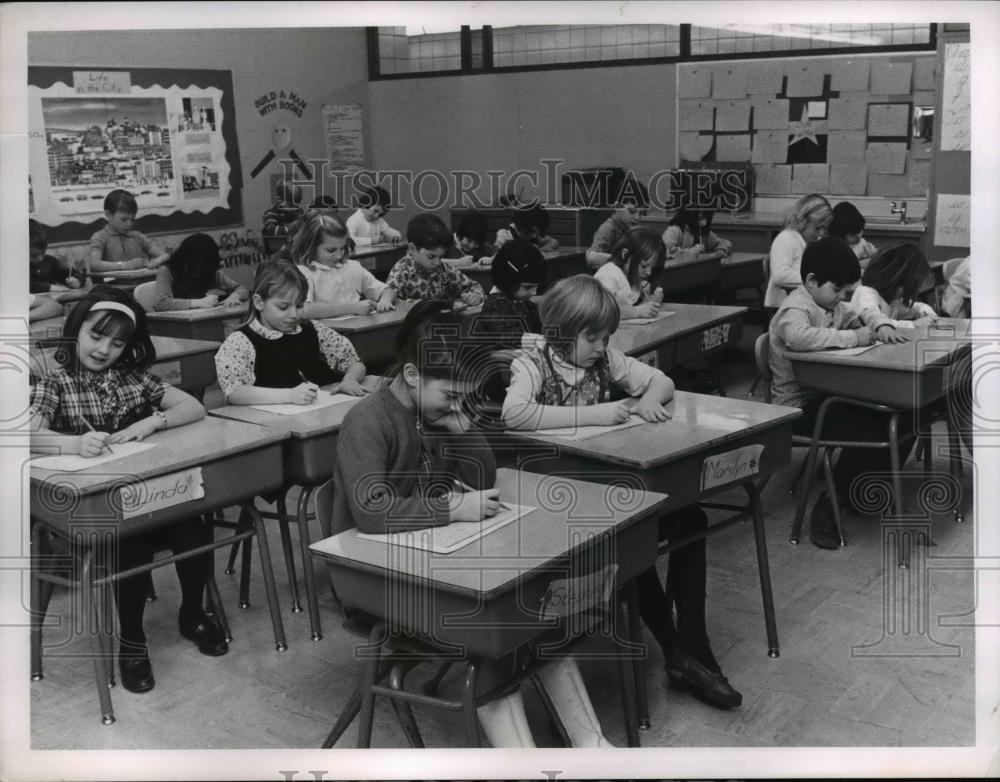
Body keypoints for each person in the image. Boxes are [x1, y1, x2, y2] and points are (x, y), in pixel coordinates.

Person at [331, 299, 612, 747]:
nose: (457, 406)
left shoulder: (436, 413)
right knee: (498, 634)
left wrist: (462, 426)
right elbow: (371, 511)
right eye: (450, 395)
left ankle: (593, 748)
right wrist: (452, 510)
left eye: (465, 398)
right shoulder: (368, 421)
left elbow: (482, 477)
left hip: (436, 564)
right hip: (373, 581)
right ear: (411, 377)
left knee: (541, 619)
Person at [502, 275, 741, 709]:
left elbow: (662, 380)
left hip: (609, 483)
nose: (600, 346)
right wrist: (602, 412)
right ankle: (682, 652)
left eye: (605, 337)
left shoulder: (605, 359)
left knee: (690, 518)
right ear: (559, 331)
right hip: (559, 498)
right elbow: (514, 414)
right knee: (634, 536)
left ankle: (691, 645)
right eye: (591, 337)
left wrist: (651, 396)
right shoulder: (531, 363)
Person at [29, 285, 223, 693]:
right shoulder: (56, 382)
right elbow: (27, 434)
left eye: (117, 343)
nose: (104, 350)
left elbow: (194, 407)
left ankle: (192, 613)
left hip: (144, 496)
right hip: (96, 511)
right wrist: (72, 444)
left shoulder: (133, 379)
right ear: (76, 330)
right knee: (129, 543)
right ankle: (132, 639)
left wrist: (153, 422)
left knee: (195, 526)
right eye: (96, 336)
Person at [768, 237, 919, 549]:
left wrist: (880, 325)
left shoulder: (829, 304)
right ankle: (831, 503)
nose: (841, 298)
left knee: (903, 413)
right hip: (796, 411)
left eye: (844, 292)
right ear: (811, 281)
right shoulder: (796, 307)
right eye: (837, 290)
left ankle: (864, 489)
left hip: (827, 397)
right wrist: (855, 337)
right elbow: (798, 337)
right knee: (875, 424)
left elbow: (861, 312)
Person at [214, 260, 368, 405]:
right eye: (283, 307)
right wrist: (288, 395)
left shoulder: (314, 329)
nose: (294, 314)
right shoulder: (240, 342)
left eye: (299, 306)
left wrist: (350, 379)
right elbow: (234, 392)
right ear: (259, 303)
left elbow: (354, 362)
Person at [294, 213, 395, 318]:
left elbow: (385, 290)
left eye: (342, 248)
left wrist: (385, 300)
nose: (338, 256)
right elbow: (304, 310)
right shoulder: (304, 272)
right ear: (312, 246)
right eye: (331, 250)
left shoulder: (352, 267)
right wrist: (352, 307)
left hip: (358, 327)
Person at [386, 214, 484, 309]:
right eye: (431, 256)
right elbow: (391, 303)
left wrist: (476, 295)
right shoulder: (400, 272)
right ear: (412, 249)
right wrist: (423, 305)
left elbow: (473, 285)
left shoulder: (443, 269)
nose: (437, 262)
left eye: (441, 257)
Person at [764, 193, 833, 309]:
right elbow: (779, 276)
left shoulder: (811, 242)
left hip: (804, 304)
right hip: (782, 307)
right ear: (803, 220)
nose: (821, 233)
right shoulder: (786, 238)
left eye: (824, 228)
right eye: (817, 228)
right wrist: (818, 278)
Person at [475, 239, 545, 350]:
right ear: (508, 281)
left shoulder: (526, 304)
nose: (534, 292)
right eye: (528, 287)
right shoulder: (495, 305)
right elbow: (509, 338)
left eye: (537, 287)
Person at [850, 243, 937, 331]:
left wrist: (929, 315)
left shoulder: (893, 300)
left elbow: (918, 307)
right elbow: (876, 322)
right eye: (908, 288)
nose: (906, 294)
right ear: (895, 280)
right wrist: (914, 324)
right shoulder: (866, 293)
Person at [151, 233, 249, 311]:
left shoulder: (211, 271)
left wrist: (235, 296)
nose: (197, 274)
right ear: (187, 261)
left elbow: (242, 288)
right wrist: (197, 303)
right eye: (197, 267)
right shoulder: (167, 271)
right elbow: (161, 303)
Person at [88, 189, 170, 273]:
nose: (129, 224)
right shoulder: (100, 237)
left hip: (139, 283)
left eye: (132, 220)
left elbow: (165, 255)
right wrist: (124, 265)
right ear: (108, 214)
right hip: (112, 284)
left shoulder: (138, 237)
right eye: (124, 219)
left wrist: (158, 260)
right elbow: (95, 264)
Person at [593, 226, 665, 320]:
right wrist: (638, 311)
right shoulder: (608, 276)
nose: (649, 272)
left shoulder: (632, 277)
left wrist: (650, 300)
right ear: (625, 254)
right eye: (644, 266)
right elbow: (601, 313)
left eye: (653, 267)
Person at [585, 183, 649, 270]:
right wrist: (622, 259)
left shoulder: (630, 229)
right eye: (632, 211)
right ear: (617, 206)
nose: (637, 217)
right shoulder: (608, 228)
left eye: (641, 213)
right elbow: (592, 258)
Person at [660, 209, 732, 265]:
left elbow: (724, 242)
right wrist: (692, 252)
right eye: (700, 217)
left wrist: (720, 251)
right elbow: (665, 253)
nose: (704, 222)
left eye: (706, 217)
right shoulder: (674, 230)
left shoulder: (702, 230)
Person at [29, 219, 83, 293]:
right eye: (33, 255)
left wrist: (76, 280)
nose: (40, 258)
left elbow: (73, 273)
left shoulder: (49, 261)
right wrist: (49, 288)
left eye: (43, 252)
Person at [827, 201, 877, 268]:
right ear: (840, 234)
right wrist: (859, 264)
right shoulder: (833, 249)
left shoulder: (863, 244)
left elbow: (879, 256)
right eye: (853, 234)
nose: (859, 235)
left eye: (860, 230)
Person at [495, 203, 559, 253]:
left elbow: (554, 241)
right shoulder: (505, 235)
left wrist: (540, 251)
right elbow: (500, 253)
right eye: (532, 231)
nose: (534, 235)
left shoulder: (534, 237)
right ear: (524, 226)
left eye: (536, 233)